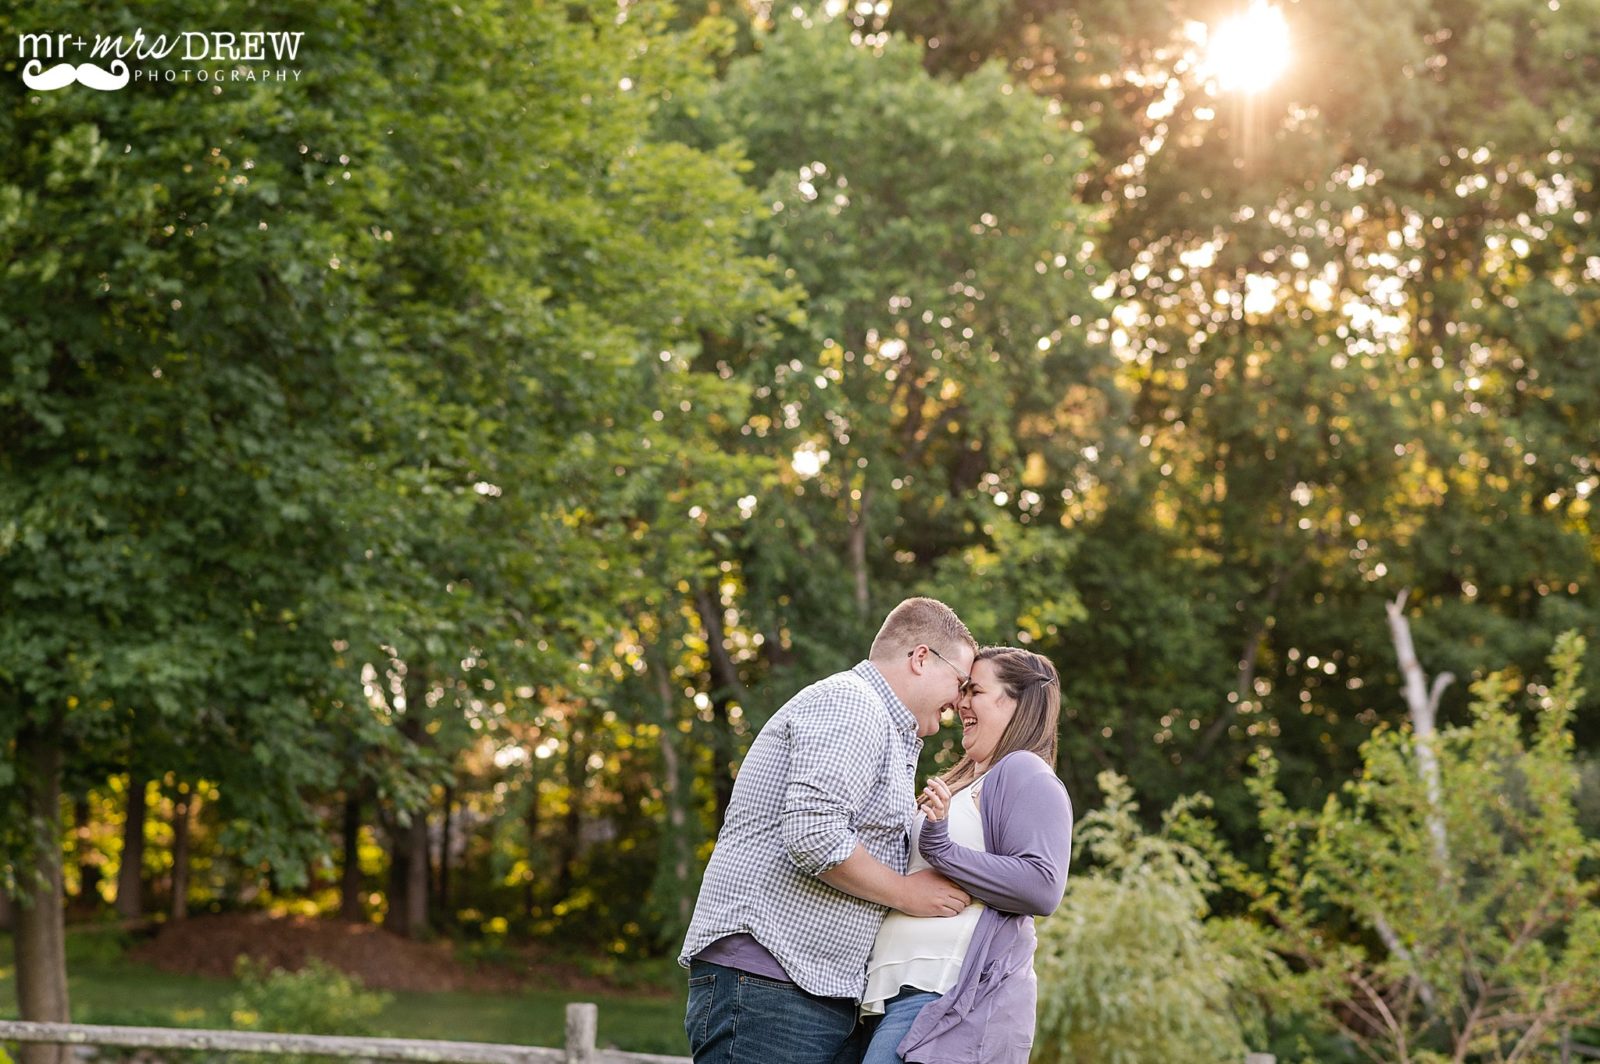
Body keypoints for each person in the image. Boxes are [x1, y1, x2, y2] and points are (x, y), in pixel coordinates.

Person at [680, 597, 980, 1064]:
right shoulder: (853, 705)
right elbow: (816, 835)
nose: (960, 701)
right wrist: (906, 893)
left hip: (808, 990)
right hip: (771, 986)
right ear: (922, 658)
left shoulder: (886, 726)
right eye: (960, 683)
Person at [857, 646, 1073, 1064]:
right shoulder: (964, 782)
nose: (960, 702)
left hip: (949, 1000)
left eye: (974, 690)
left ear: (1016, 702)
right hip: (896, 996)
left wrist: (943, 849)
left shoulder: (1024, 771)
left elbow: (1042, 885)